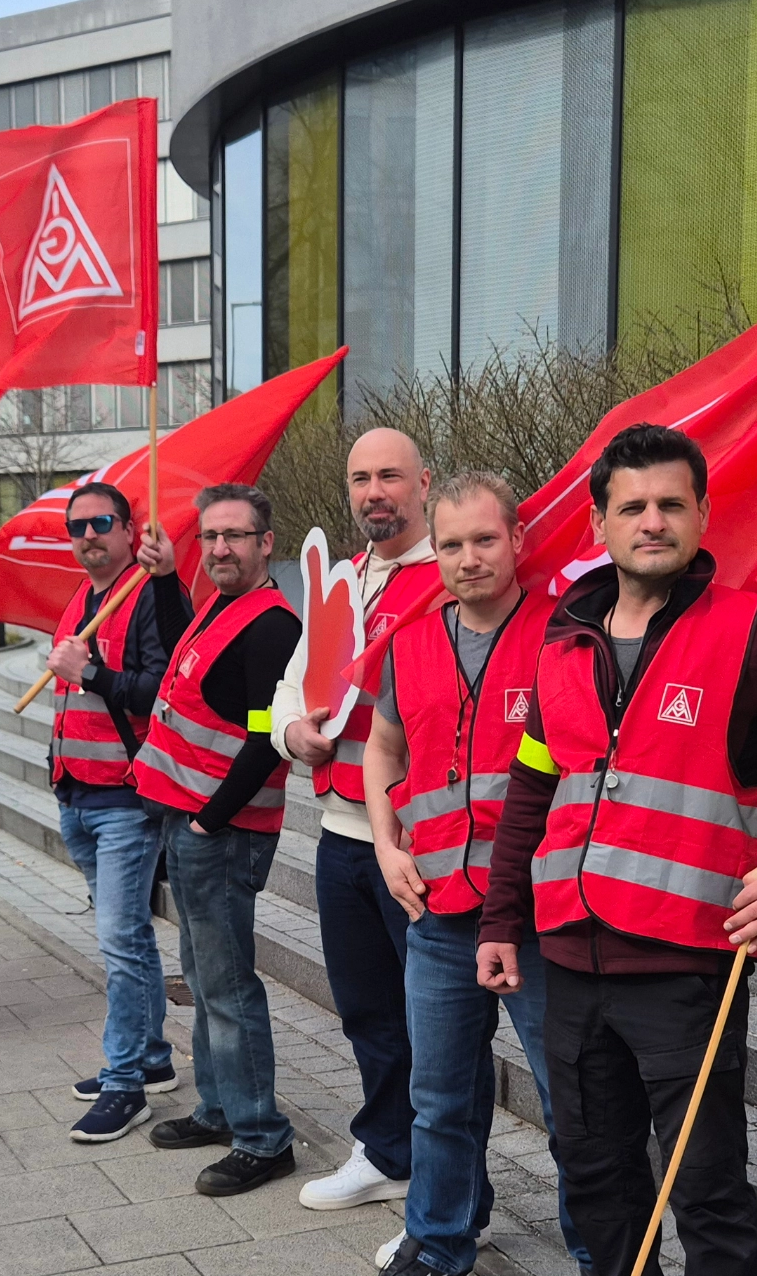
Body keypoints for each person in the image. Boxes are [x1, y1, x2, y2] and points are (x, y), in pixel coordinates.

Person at [477, 424, 757, 1276]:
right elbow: (533, 792)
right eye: (631, 506)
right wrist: (501, 920)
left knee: (707, 1187)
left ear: (703, 513)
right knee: (596, 1178)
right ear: (599, 524)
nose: (652, 521)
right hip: (567, 958)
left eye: (671, 503)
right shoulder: (561, 639)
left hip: (687, 966)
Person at [363, 471, 592, 1276]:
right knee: (439, 1103)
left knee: (574, 1105)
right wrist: (388, 846)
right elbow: (382, 749)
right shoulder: (414, 641)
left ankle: (600, 1251)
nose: (467, 559)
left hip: (536, 916)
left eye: (483, 540)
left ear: (518, 540)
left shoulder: (568, 636)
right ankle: (437, 1242)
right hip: (438, 912)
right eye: (451, 544)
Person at [274, 428, 440, 1211]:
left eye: (390, 477)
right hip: (339, 836)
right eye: (361, 479)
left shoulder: (450, 575)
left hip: (418, 844)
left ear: (423, 483)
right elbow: (293, 681)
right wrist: (291, 733)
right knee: (368, 1011)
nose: (375, 492)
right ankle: (386, 1152)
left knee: (434, 1025)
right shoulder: (339, 579)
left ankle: (443, 1183)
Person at [131, 482, 303, 1196]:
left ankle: (262, 1136)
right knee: (202, 978)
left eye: (235, 536)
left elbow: (269, 740)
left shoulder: (271, 625)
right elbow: (181, 652)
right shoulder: (224, 608)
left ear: (266, 543)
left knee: (227, 986)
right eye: (211, 537)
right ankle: (219, 1108)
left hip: (221, 830)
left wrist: (210, 820)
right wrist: (168, 579)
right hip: (193, 821)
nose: (221, 548)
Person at [45, 482, 190, 1143]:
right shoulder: (83, 598)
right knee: (123, 938)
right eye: (76, 526)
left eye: (101, 522)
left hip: (124, 801)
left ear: (131, 530)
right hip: (78, 791)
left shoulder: (146, 594)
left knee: (121, 941)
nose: (87, 535)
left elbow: (163, 691)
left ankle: (125, 1080)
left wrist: (92, 671)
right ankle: (153, 1057)